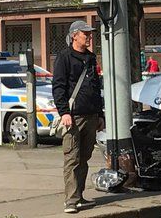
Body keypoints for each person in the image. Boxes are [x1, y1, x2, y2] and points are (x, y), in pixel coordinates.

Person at [52, 20, 104, 214]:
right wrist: (64, 112)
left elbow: (95, 87)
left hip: (90, 115)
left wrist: (100, 114)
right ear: (75, 35)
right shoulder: (64, 58)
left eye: (90, 34)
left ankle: (79, 196)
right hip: (73, 117)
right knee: (72, 158)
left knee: (85, 157)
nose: (89, 37)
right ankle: (71, 201)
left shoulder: (90, 58)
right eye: (86, 34)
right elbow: (58, 86)